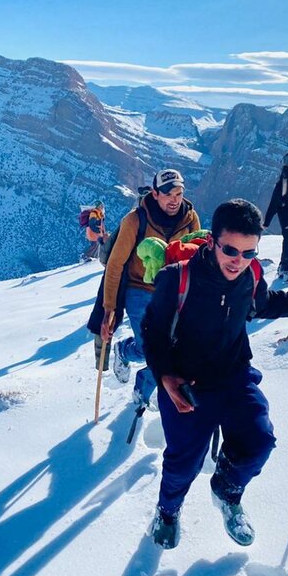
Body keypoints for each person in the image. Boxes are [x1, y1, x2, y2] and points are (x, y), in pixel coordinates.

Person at [141, 198, 288, 549]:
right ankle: (168, 511)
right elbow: (152, 332)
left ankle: (227, 491)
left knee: (259, 440)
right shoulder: (178, 279)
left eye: (249, 252)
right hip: (185, 385)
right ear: (212, 241)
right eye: (231, 250)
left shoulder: (250, 275)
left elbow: (265, 306)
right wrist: (165, 377)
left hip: (233, 376)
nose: (239, 260)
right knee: (183, 462)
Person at [100, 168, 201, 404]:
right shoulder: (136, 220)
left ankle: (142, 388)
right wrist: (109, 309)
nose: (174, 199)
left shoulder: (190, 218)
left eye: (178, 193)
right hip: (139, 289)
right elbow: (115, 265)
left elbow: (197, 256)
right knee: (149, 349)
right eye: (168, 194)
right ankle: (125, 351)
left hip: (174, 291)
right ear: (155, 194)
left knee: (171, 351)